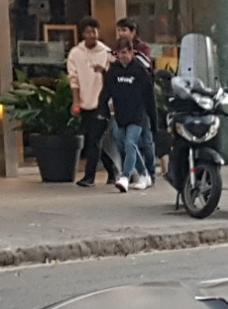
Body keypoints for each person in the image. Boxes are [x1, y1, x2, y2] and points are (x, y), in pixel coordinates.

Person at [66, 19, 117, 188]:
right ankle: (112, 169)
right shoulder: (75, 53)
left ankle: (90, 177)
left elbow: (113, 80)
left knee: (94, 139)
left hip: (102, 103)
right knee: (92, 140)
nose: (92, 35)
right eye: (88, 32)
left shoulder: (107, 53)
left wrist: (111, 101)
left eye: (94, 31)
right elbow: (73, 79)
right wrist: (76, 101)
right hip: (85, 102)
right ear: (82, 34)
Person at [101, 39, 157, 193]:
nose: (122, 56)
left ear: (132, 52)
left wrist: (154, 119)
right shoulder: (113, 71)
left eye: (124, 53)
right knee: (121, 142)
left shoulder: (139, 71)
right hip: (121, 114)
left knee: (130, 142)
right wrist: (103, 110)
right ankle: (144, 173)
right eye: (118, 53)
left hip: (138, 114)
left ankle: (125, 176)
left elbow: (149, 96)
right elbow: (106, 92)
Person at [114, 19, 161, 184]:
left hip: (141, 106)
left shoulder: (143, 50)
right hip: (124, 108)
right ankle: (140, 173)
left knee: (145, 142)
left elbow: (146, 69)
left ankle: (148, 174)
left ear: (133, 32)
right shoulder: (116, 54)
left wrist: (134, 56)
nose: (121, 33)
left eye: (124, 30)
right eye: (119, 30)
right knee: (125, 143)